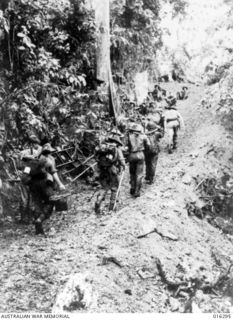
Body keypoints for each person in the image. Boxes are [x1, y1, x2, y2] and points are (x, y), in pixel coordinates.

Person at [22, 143, 66, 234]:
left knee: (37, 204)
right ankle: (40, 220)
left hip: (33, 185)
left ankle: (38, 226)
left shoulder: (29, 164)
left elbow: (24, 177)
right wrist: (60, 184)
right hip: (45, 184)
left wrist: (30, 183)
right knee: (51, 201)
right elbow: (53, 173)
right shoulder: (49, 160)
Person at [94, 136, 125, 214]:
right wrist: (124, 166)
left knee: (104, 187)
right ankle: (112, 206)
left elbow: (96, 158)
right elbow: (121, 160)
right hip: (112, 169)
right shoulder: (116, 148)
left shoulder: (102, 147)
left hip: (102, 169)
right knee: (114, 187)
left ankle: (98, 201)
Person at [126, 123, 149, 197]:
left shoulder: (129, 136)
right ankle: (137, 191)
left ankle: (132, 188)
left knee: (132, 173)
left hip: (132, 155)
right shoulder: (143, 136)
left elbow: (126, 147)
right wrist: (145, 151)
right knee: (139, 174)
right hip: (140, 154)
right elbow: (148, 145)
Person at [144, 113, 164, 184]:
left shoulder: (145, 135)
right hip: (155, 150)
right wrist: (160, 128)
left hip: (147, 151)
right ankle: (151, 179)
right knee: (153, 164)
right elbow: (162, 135)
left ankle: (147, 176)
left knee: (147, 163)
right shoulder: (156, 134)